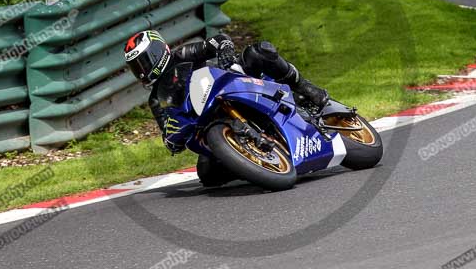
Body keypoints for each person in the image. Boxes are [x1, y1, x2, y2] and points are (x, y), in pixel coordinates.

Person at [123, 29, 328, 186]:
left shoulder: (183, 54)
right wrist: (172, 136)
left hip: (232, 84)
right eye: (136, 67)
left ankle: (305, 87)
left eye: (145, 61)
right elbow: (168, 135)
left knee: (258, 52)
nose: (143, 70)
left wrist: (224, 50)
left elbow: (218, 40)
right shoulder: (156, 100)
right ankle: (250, 164)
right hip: (207, 121)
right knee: (207, 175)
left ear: (158, 51)